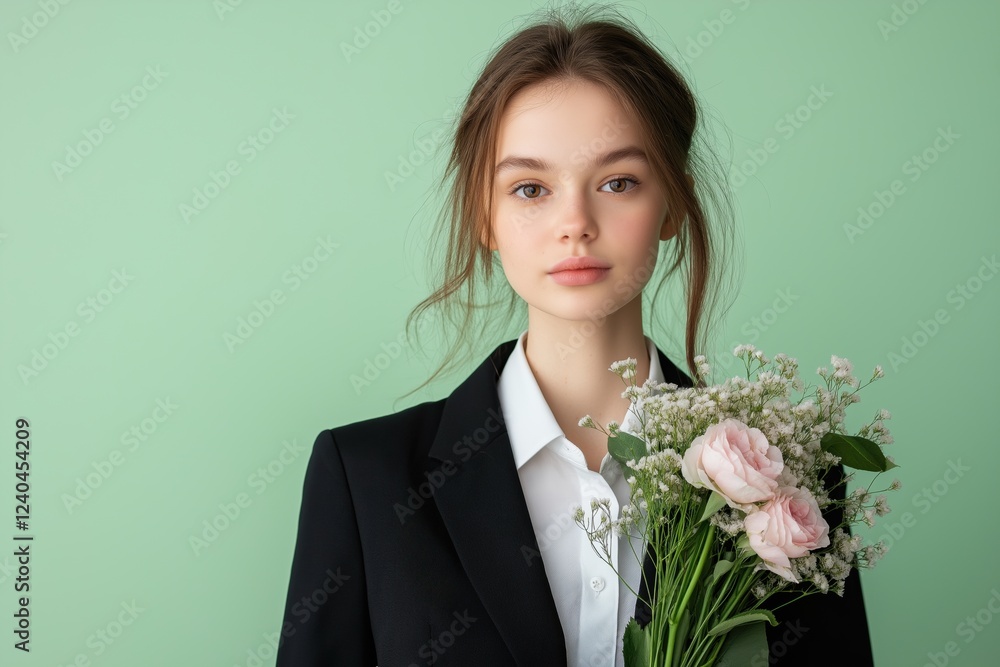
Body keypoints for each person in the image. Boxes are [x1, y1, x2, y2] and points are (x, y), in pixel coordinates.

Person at [274, 5, 874, 666]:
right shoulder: (366, 478)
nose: (576, 222)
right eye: (530, 188)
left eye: (618, 182)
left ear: (672, 204)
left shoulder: (793, 485)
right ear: (484, 214)